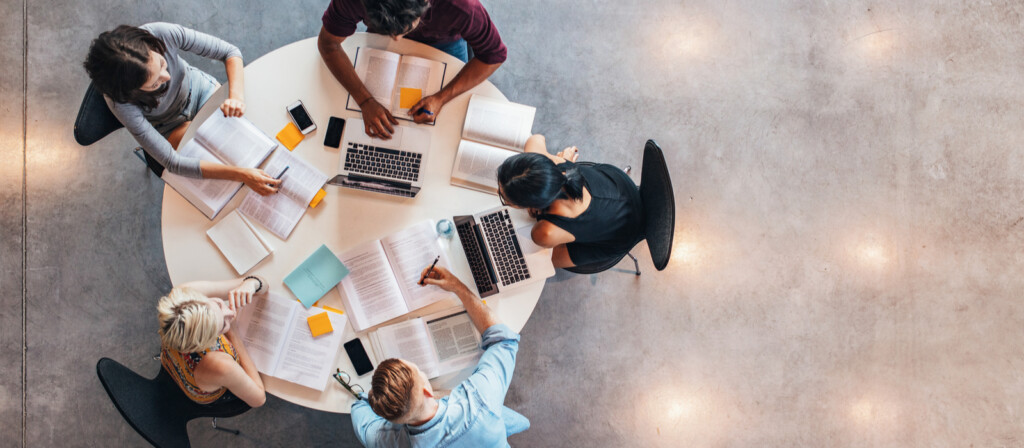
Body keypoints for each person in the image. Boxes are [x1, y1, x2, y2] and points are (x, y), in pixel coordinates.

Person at [83, 22, 280, 195]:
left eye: (162, 63)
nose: (167, 77)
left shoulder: (160, 33)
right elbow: (173, 162)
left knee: (250, 134)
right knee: (222, 164)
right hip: (168, 126)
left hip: (201, 92)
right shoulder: (121, 103)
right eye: (154, 84)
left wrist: (236, 97)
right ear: (131, 92)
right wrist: (241, 175)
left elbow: (230, 52)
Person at [351, 266, 529, 447]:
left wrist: (369, 399)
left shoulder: (384, 441)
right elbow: (504, 340)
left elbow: (360, 416)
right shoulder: (478, 399)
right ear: (428, 391)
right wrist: (458, 287)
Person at [318, 0, 507, 138]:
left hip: (444, 43)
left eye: (403, 29)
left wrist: (442, 97)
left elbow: (493, 56)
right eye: (390, 31)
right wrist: (365, 100)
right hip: (378, 38)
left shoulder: (462, 7)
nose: (396, 40)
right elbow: (328, 45)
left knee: (447, 126)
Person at [496, 134, 645, 269]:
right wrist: (561, 160)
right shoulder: (557, 163)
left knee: (539, 262)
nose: (498, 192)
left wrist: (537, 212)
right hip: (621, 187)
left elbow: (544, 237)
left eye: (504, 199)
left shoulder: (544, 232)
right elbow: (536, 139)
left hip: (622, 235)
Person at [157, 276, 268, 407]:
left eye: (218, 304)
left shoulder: (184, 295)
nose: (230, 313)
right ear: (208, 343)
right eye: (222, 325)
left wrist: (251, 284)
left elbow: (262, 283)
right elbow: (259, 399)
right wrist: (233, 333)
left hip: (173, 359)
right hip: (207, 390)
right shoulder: (220, 365)